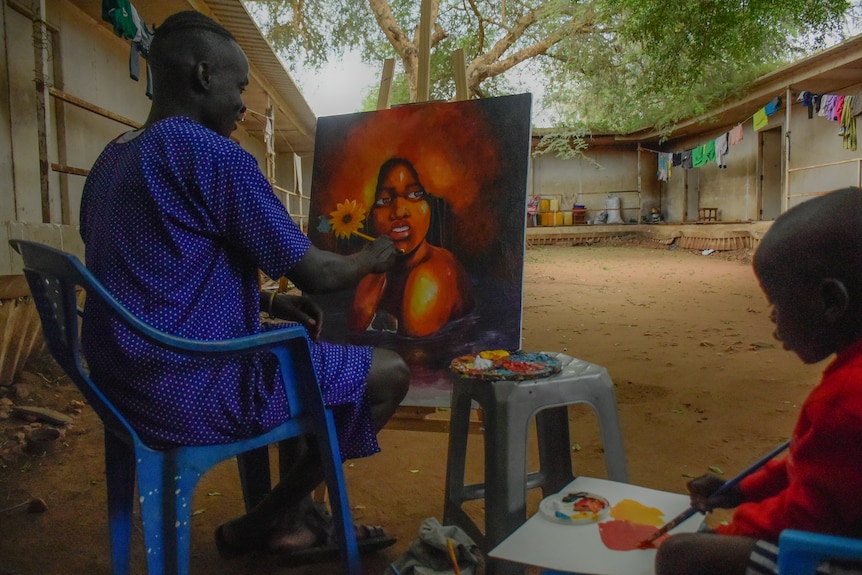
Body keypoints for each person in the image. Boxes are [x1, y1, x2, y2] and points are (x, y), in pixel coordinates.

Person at [78, 10, 410, 564]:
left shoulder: (113, 159)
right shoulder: (213, 155)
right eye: (238, 87)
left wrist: (268, 300)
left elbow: (150, 283)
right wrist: (376, 255)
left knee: (296, 353)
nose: (244, 105)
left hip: (121, 384)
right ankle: (268, 520)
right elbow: (321, 273)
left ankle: (289, 524)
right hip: (186, 387)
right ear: (205, 75)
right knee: (387, 374)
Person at [655, 187, 862, 575]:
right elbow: (818, 471)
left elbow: (806, 516)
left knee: (680, 556)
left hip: (846, 554)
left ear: (831, 301)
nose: (772, 318)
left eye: (778, 303)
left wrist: (729, 535)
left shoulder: (846, 400)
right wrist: (743, 488)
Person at [349, 157, 474, 337]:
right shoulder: (376, 271)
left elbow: (415, 346)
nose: (399, 211)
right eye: (384, 200)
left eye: (415, 195)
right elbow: (356, 323)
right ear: (371, 214)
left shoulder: (431, 275)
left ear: (430, 204)